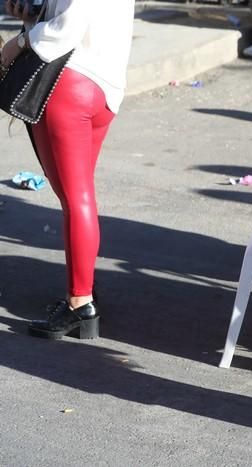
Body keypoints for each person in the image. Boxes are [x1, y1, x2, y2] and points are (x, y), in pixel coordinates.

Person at [0, 0, 134, 339]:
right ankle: (83, 286)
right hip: (105, 86)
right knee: (79, 196)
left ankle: (80, 303)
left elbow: (67, 27)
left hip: (69, 82)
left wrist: (16, 43)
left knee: (75, 198)